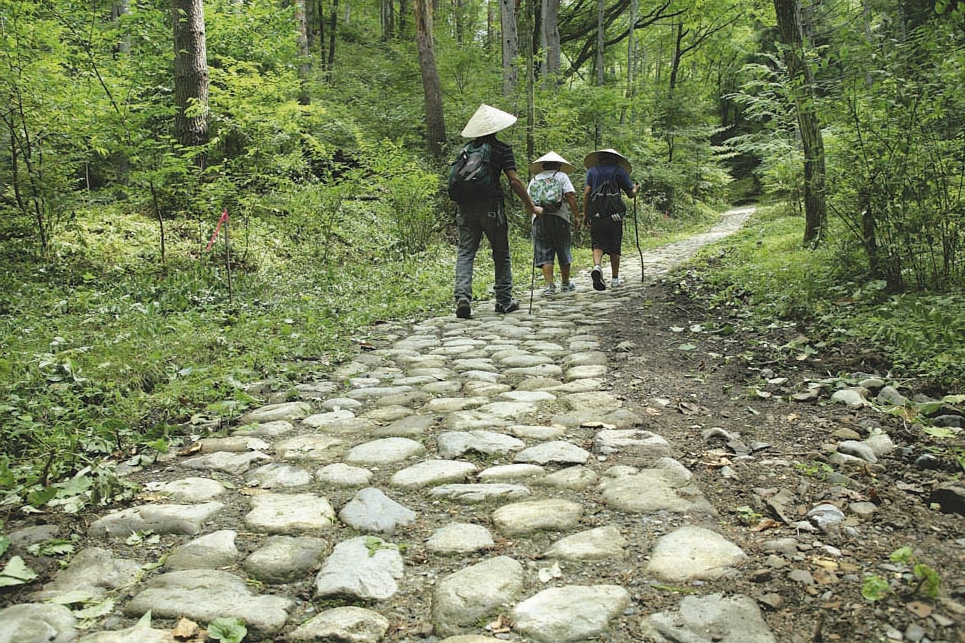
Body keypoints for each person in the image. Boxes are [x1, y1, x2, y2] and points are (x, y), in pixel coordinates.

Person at [451, 104, 543, 319]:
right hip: (491, 206)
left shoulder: (464, 150)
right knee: (501, 254)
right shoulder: (501, 149)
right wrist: (531, 205)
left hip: (465, 207)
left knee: (465, 252)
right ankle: (503, 301)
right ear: (495, 128)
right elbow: (514, 180)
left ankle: (462, 298)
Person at [582, 148, 639, 291]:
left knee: (597, 243)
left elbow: (587, 193)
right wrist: (636, 189)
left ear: (600, 158)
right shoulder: (619, 171)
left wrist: (585, 214)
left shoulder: (592, 171)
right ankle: (615, 279)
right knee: (615, 245)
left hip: (596, 214)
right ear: (616, 159)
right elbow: (630, 193)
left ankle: (597, 266)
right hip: (615, 215)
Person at [527, 151, 580, 295]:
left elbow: (528, 202)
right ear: (558, 165)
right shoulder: (561, 176)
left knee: (544, 252)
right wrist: (577, 216)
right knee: (563, 249)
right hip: (559, 218)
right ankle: (565, 283)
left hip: (539, 219)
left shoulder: (535, 180)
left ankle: (550, 286)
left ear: (542, 166)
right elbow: (569, 195)